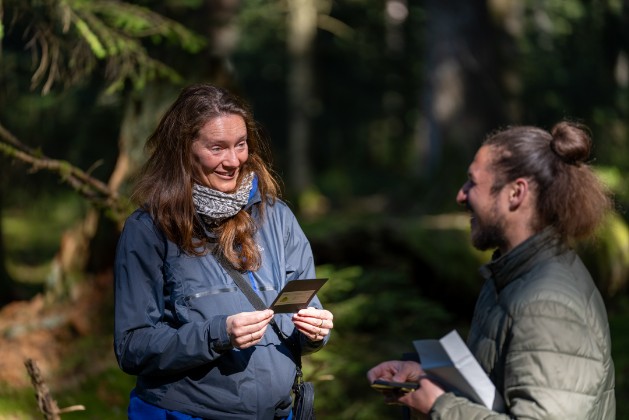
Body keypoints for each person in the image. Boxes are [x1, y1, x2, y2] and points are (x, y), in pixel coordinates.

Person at [367, 121, 616, 419]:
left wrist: (440, 406)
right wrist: (429, 380)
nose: (461, 196)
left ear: (515, 193)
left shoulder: (547, 303)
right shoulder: (511, 276)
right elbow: (500, 393)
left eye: (472, 182)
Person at [113, 84, 333, 419]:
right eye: (217, 148)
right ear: (184, 150)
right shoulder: (148, 230)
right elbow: (132, 347)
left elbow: (300, 314)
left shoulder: (278, 218)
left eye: (241, 144)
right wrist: (218, 334)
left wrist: (315, 332)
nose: (233, 161)